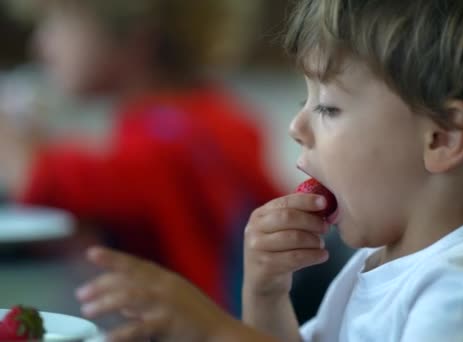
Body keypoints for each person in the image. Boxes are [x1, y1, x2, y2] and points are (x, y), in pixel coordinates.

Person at [75, 0, 463, 340]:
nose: (298, 125)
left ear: (442, 137)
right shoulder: (381, 260)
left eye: (329, 106)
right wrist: (266, 292)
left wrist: (217, 333)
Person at [0, 0, 280, 313]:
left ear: (134, 36)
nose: (40, 44)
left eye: (59, 22)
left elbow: (46, 179)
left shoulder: (174, 134)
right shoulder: (216, 115)